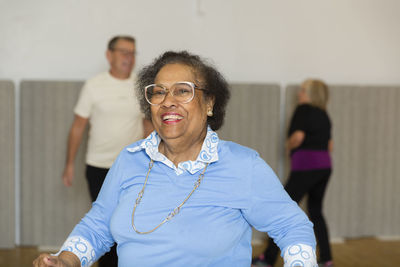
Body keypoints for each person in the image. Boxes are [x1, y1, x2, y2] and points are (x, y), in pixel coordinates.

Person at [34, 51, 318, 267]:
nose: (168, 101)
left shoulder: (243, 165)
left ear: (209, 103)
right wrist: (66, 259)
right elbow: (97, 225)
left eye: (183, 91)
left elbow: (292, 226)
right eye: (158, 92)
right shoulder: (129, 160)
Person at [61, 35, 153, 267]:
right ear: (109, 55)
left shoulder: (140, 87)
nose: (128, 57)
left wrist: (155, 160)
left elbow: (148, 126)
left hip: (133, 167)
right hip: (98, 166)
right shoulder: (94, 85)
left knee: (127, 224)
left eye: (132, 52)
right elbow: (78, 127)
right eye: (123, 51)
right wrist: (70, 164)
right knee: (107, 225)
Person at [253, 79, 333, 267]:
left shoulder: (303, 109)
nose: (299, 93)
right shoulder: (324, 115)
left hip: (306, 166)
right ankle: (327, 259)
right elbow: (330, 145)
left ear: (312, 93)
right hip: (325, 167)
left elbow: (298, 137)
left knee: (283, 211)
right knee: (316, 212)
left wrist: (288, 146)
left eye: (303, 90)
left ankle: (268, 258)